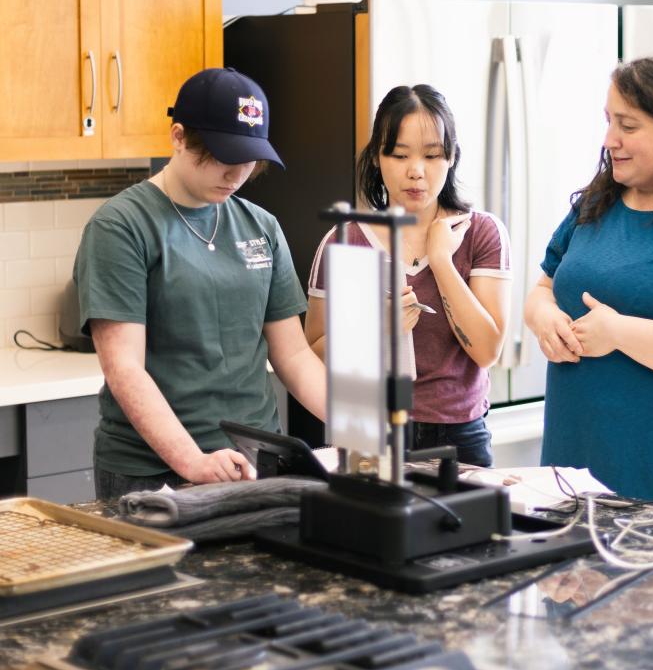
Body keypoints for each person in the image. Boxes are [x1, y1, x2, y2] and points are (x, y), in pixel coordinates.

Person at [75, 67, 326, 501]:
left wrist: (362, 428)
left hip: (256, 464)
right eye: (220, 155)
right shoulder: (121, 227)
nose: (235, 173)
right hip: (151, 474)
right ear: (177, 137)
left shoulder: (261, 227)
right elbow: (124, 368)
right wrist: (192, 460)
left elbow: (294, 354)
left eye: (247, 159)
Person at [525, 54, 653, 509]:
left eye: (628, 125)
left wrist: (618, 333)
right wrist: (544, 319)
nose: (610, 140)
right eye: (608, 121)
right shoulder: (595, 202)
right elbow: (543, 289)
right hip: (571, 468)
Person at [304, 84, 512, 466]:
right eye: (400, 155)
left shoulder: (481, 233)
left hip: (459, 436)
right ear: (377, 159)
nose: (416, 171)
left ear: (451, 159)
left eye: (433, 155)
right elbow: (311, 352)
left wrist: (442, 261)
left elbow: (486, 350)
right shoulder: (346, 240)